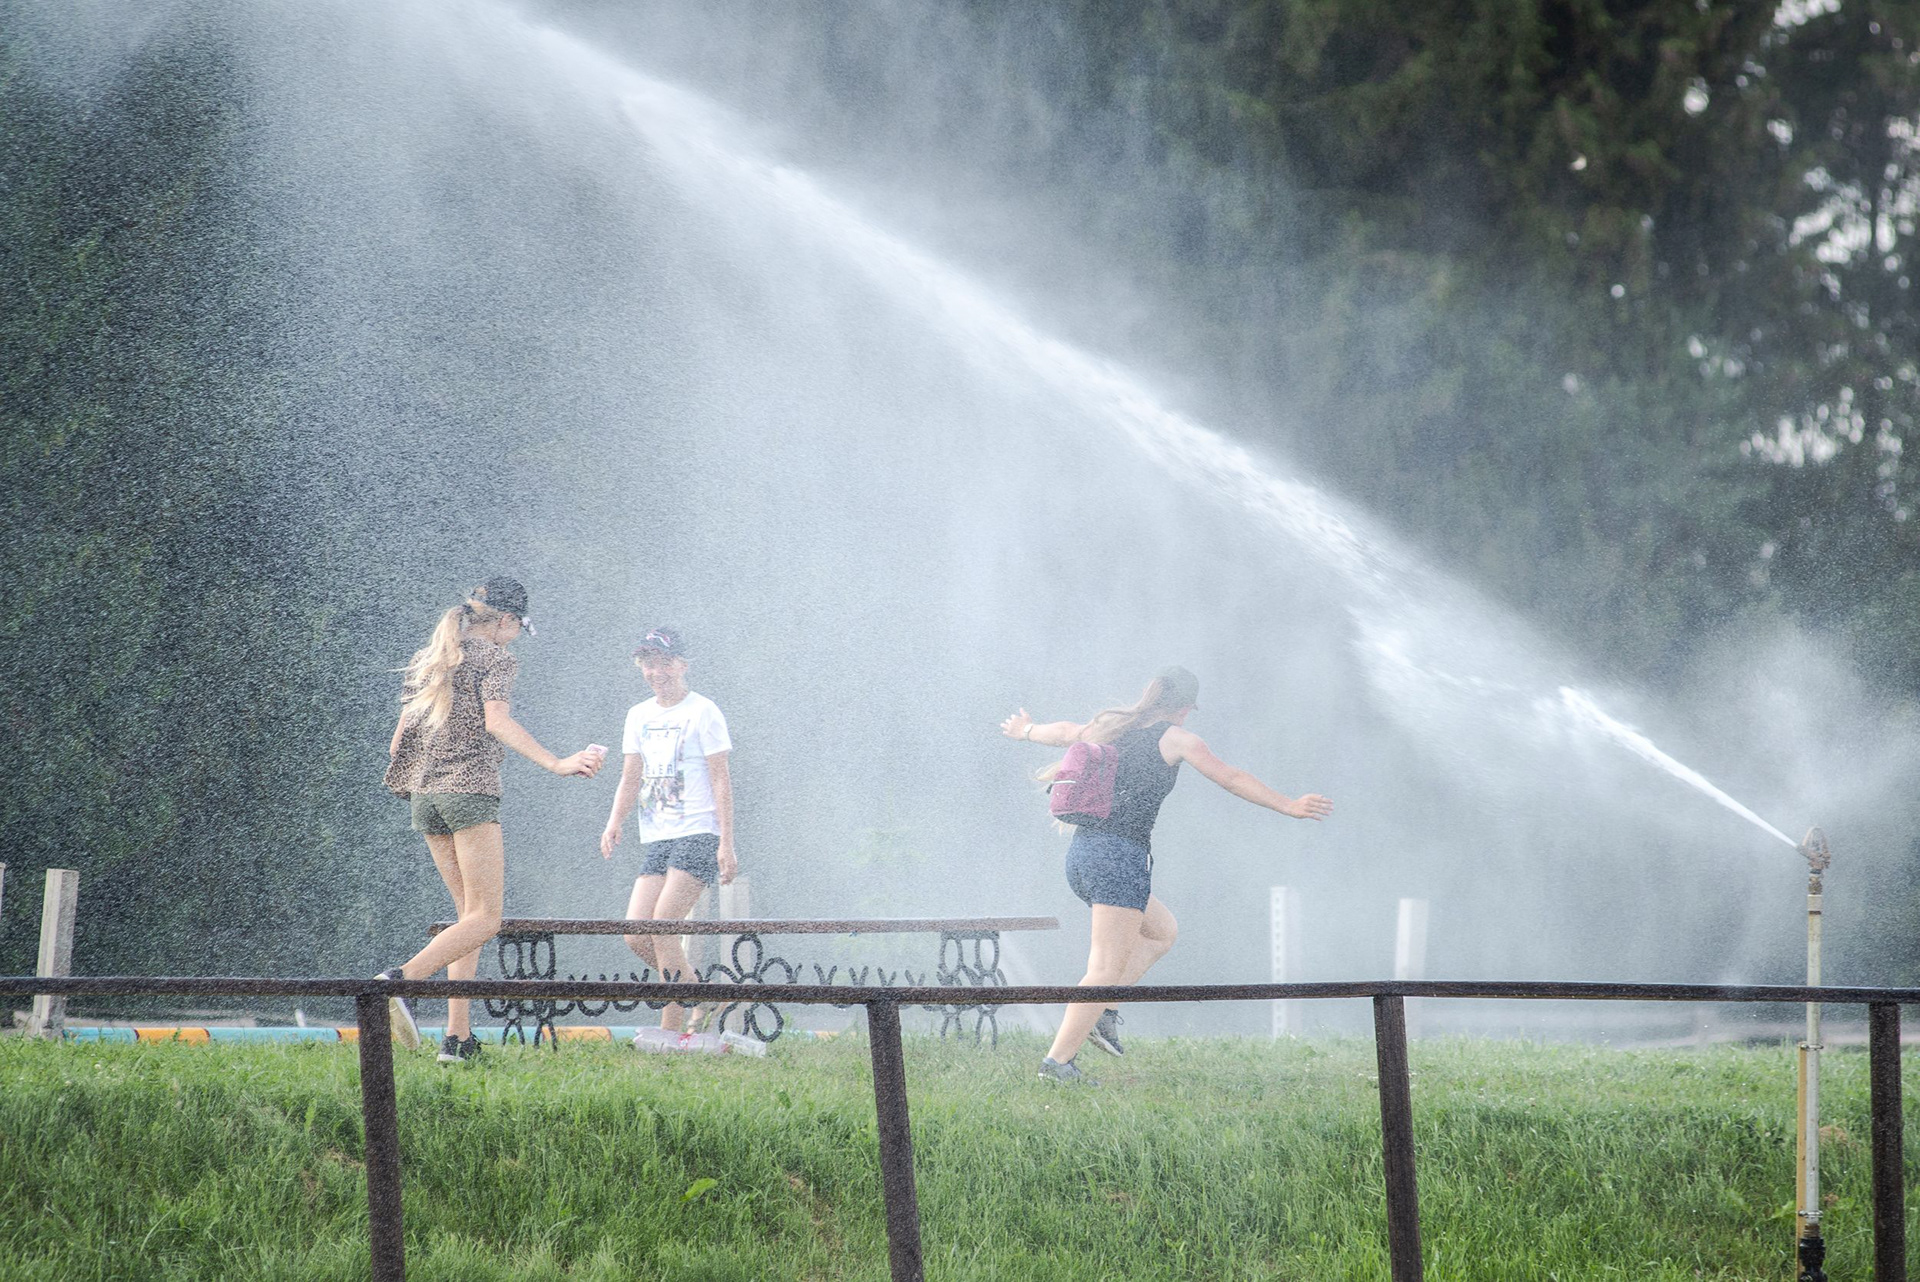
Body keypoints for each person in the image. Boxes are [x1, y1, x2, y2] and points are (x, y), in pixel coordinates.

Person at [1000, 666, 1332, 1085]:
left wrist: (1026, 731)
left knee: (1161, 932)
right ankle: (1057, 1063)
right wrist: (1288, 805)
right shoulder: (1177, 739)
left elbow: (1065, 731)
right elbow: (1231, 778)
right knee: (1103, 968)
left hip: (1084, 855)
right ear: (1187, 707)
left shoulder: (1112, 725)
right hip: (1119, 858)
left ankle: (1102, 1009)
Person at [379, 577, 603, 1062]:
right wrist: (557, 763)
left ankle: (457, 1040)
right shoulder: (495, 658)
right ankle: (399, 983)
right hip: (468, 793)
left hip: (424, 797)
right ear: (504, 620)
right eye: (518, 627)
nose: (516, 636)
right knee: (487, 917)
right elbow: (496, 721)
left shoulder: (431, 658)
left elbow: (398, 744)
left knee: (468, 919)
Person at [599, 626, 737, 1040]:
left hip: (698, 830)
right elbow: (630, 775)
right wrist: (614, 821)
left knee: (663, 926)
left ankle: (672, 1033)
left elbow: (721, 780)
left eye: (663, 663)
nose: (656, 672)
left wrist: (726, 842)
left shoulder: (703, 711)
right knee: (636, 933)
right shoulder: (638, 715)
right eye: (648, 664)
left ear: (682, 665)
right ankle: (704, 997)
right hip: (657, 834)